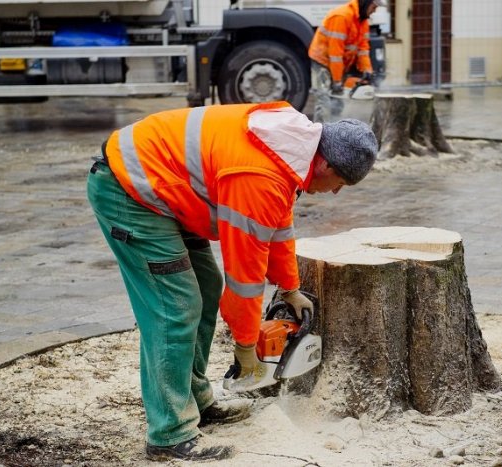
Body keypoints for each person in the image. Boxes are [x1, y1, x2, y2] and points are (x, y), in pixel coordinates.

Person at [86, 100, 378, 462]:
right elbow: (244, 276)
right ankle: (169, 434)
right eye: (340, 182)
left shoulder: (290, 146)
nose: (336, 191)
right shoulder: (260, 177)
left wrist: (289, 286)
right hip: (132, 191)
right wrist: (246, 346)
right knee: (175, 307)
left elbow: (278, 226)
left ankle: (194, 399)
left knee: (205, 290)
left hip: (173, 191)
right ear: (325, 163)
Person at [308, 0, 385, 122]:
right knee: (324, 99)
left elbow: (363, 49)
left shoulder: (362, 21)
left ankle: (335, 129)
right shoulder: (341, 17)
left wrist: (367, 71)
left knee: (338, 99)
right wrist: (337, 80)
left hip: (340, 63)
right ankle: (321, 134)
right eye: (374, 7)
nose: (375, 10)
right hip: (323, 61)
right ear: (365, 3)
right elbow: (335, 53)